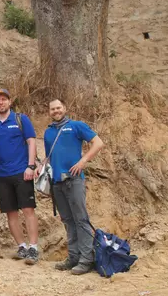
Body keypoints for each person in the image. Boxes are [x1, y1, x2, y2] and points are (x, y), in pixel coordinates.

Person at [44, 99, 104, 275]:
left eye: (58, 108)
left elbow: (98, 143)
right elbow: (49, 157)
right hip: (57, 183)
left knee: (81, 219)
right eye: (52, 109)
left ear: (64, 108)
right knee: (68, 221)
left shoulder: (76, 126)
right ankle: (73, 257)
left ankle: (86, 260)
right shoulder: (48, 132)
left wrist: (83, 161)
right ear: (49, 112)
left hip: (74, 180)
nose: (56, 111)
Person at [0, 88, 40, 265]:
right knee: (11, 213)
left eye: (4, 99)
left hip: (21, 171)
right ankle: (22, 246)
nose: (0, 102)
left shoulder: (20, 119)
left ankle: (33, 248)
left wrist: (31, 166)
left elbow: (31, 142)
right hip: (2, 175)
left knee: (28, 210)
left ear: (10, 102)